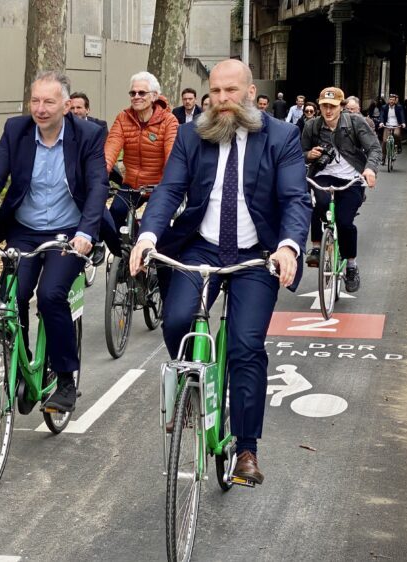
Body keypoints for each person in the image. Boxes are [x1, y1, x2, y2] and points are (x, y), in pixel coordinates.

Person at [128, 59, 311, 485]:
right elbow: (170, 188)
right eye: (216, 91)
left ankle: (246, 447)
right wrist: (147, 237)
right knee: (176, 321)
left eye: (232, 91)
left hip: (256, 254)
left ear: (250, 92)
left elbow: (294, 198)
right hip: (201, 248)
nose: (222, 100)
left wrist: (288, 247)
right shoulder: (193, 135)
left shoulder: (281, 136)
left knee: (246, 347)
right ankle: (194, 391)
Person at [0, 71, 109, 412]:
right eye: (35, 100)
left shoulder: (89, 135)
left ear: (66, 105)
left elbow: (97, 187)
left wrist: (85, 234)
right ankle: (24, 361)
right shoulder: (16, 131)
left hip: (68, 233)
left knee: (51, 295)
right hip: (25, 229)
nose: (40, 108)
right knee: (13, 296)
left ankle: (65, 378)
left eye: (49, 101)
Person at [301, 86, 381, 293]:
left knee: (345, 222)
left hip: (352, 178)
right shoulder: (312, 126)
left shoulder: (355, 123)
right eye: (324, 106)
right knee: (318, 205)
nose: (328, 111)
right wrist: (309, 154)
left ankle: (351, 266)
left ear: (342, 107)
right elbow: (298, 152)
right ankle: (317, 247)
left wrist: (370, 169)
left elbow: (374, 147)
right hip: (323, 175)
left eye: (333, 106)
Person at [100, 71, 179, 256]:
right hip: (131, 184)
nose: (136, 96)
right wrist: (100, 177)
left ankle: (157, 266)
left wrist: (168, 185)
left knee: (158, 226)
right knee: (114, 215)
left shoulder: (169, 121)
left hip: (158, 185)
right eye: (132, 93)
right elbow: (110, 150)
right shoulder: (123, 118)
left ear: (154, 96)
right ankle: (123, 257)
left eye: (141, 93)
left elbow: (172, 158)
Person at [379, 93, 406, 163]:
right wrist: (381, 122)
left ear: (395, 101)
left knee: (397, 135)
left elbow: (402, 115)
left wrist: (403, 123)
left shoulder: (399, 107)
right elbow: (381, 115)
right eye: (390, 99)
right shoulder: (384, 107)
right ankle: (383, 158)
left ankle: (399, 146)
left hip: (396, 125)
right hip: (387, 126)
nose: (391, 101)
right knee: (385, 141)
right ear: (388, 100)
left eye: (393, 100)